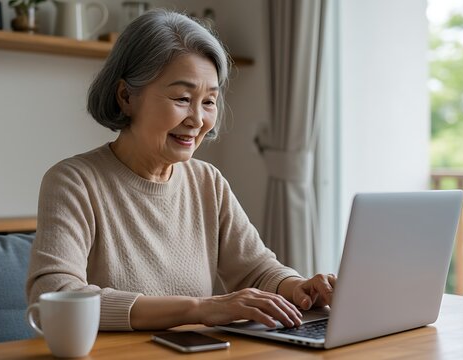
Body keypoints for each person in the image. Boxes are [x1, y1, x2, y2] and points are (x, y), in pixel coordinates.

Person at [26, 9, 336, 331]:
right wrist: (200, 309)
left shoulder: (207, 182)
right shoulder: (74, 182)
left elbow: (256, 270)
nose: (198, 120)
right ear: (126, 97)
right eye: (183, 98)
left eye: (209, 102)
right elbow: (53, 295)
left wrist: (298, 288)